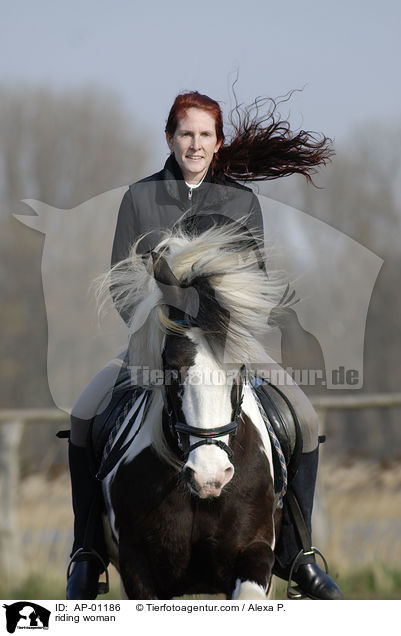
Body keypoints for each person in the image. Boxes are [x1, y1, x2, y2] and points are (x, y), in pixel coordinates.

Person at [66, 91, 342, 600]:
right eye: (186, 134)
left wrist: (224, 328)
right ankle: (86, 551)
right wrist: (155, 333)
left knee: (305, 419)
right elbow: (121, 282)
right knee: (84, 416)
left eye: (204, 135)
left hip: (228, 345)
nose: (195, 144)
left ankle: (298, 554)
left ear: (218, 143)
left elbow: (255, 282)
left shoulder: (241, 201)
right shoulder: (139, 198)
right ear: (170, 138)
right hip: (157, 345)